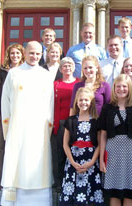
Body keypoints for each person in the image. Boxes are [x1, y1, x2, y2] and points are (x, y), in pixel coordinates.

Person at [0, 41, 54, 206]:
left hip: (39, 130)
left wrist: (47, 127)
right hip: (17, 128)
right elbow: (5, 101)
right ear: (25, 52)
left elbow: (50, 104)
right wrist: (8, 129)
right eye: (31, 53)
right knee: (16, 164)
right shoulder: (14, 73)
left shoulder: (46, 75)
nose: (35, 56)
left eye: (38, 54)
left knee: (37, 165)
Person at [99, 74, 132, 206]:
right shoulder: (107, 108)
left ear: (129, 88)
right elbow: (103, 134)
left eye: (124, 86)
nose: (121, 89)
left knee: (130, 194)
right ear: (114, 88)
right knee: (113, 194)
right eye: (118, 86)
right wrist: (101, 159)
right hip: (112, 154)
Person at [59, 87, 104, 205]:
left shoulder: (95, 121)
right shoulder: (71, 120)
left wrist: (92, 162)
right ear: (76, 102)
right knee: (73, 193)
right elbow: (65, 144)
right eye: (81, 100)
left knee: (89, 193)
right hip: (74, 161)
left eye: (86, 100)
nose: (83, 102)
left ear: (91, 102)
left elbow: (99, 145)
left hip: (90, 162)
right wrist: (73, 162)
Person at [0, 43, 25, 190]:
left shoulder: (25, 71)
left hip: (21, 116)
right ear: (8, 55)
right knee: (2, 147)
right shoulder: (1, 71)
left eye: (18, 53)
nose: (15, 56)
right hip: (5, 115)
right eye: (12, 53)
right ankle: (1, 181)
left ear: (22, 55)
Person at [51, 57, 80, 192]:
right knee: (59, 154)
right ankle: (59, 183)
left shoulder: (79, 83)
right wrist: (55, 124)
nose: (67, 68)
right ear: (60, 69)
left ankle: (75, 181)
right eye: (64, 66)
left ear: (74, 68)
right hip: (60, 122)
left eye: (70, 66)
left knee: (75, 153)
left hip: (75, 122)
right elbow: (53, 104)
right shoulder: (55, 84)